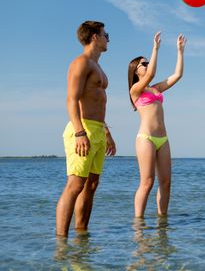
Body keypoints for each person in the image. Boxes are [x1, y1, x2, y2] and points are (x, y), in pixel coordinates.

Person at [56, 21, 117, 237]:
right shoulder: (80, 63)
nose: (107, 38)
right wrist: (80, 132)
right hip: (82, 130)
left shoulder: (98, 66)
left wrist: (107, 133)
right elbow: (71, 100)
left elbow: (99, 102)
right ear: (94, 37)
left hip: (98, 130)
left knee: (91, 185)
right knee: (75, 185)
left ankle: (81, 235)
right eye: (104, 34)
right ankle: (61, 243)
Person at [128, 32, 186, 218]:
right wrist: (155, 48)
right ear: (136, 71)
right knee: (147, 182)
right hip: (146, 138)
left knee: (166, 182)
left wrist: (180, 51)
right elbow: (151, 72)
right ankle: (139, 224)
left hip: (163, 139)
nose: (146, 65)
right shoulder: (135, 90)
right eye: (143, 64)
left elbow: (177, 75)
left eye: (147, 62)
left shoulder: (156, 88)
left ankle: (162, 222)